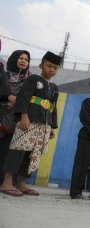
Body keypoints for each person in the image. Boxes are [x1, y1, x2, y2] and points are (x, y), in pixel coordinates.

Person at [0, 51, 61, 197]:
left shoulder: (55, 88)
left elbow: (52, 107)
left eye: (55, 68)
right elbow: (23, 98)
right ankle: (6, 183)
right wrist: (24, 116)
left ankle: (22, 184)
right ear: (41, 65)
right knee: (18, 150)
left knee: (33, 154)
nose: (51, 69)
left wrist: (52, 126)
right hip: (28, 122)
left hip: (43, 125)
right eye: (49, 66)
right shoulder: (33, 79)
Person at [0, 50, 32, 185]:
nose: (24, 61)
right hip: (2, 114)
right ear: (13, 59)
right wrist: (7, 98)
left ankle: (6, 182)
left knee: (9, 150)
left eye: (26, 59)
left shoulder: (30, 79)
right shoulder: (4, 75)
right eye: (20, 58)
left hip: (17, 120)